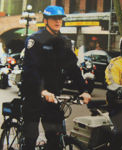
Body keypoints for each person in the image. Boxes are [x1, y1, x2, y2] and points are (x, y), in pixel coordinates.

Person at [21, 6, 91, 150]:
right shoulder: (35, 40)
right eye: (54, 18)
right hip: (34, 94)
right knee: (30, 138)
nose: (58, 21)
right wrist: (42, 91)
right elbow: (31, 69)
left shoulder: (64, 42)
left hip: (53, 96)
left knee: (55, 139)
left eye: (60, 18)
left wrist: (83, 90)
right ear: (46, 20)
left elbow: (73, 68)